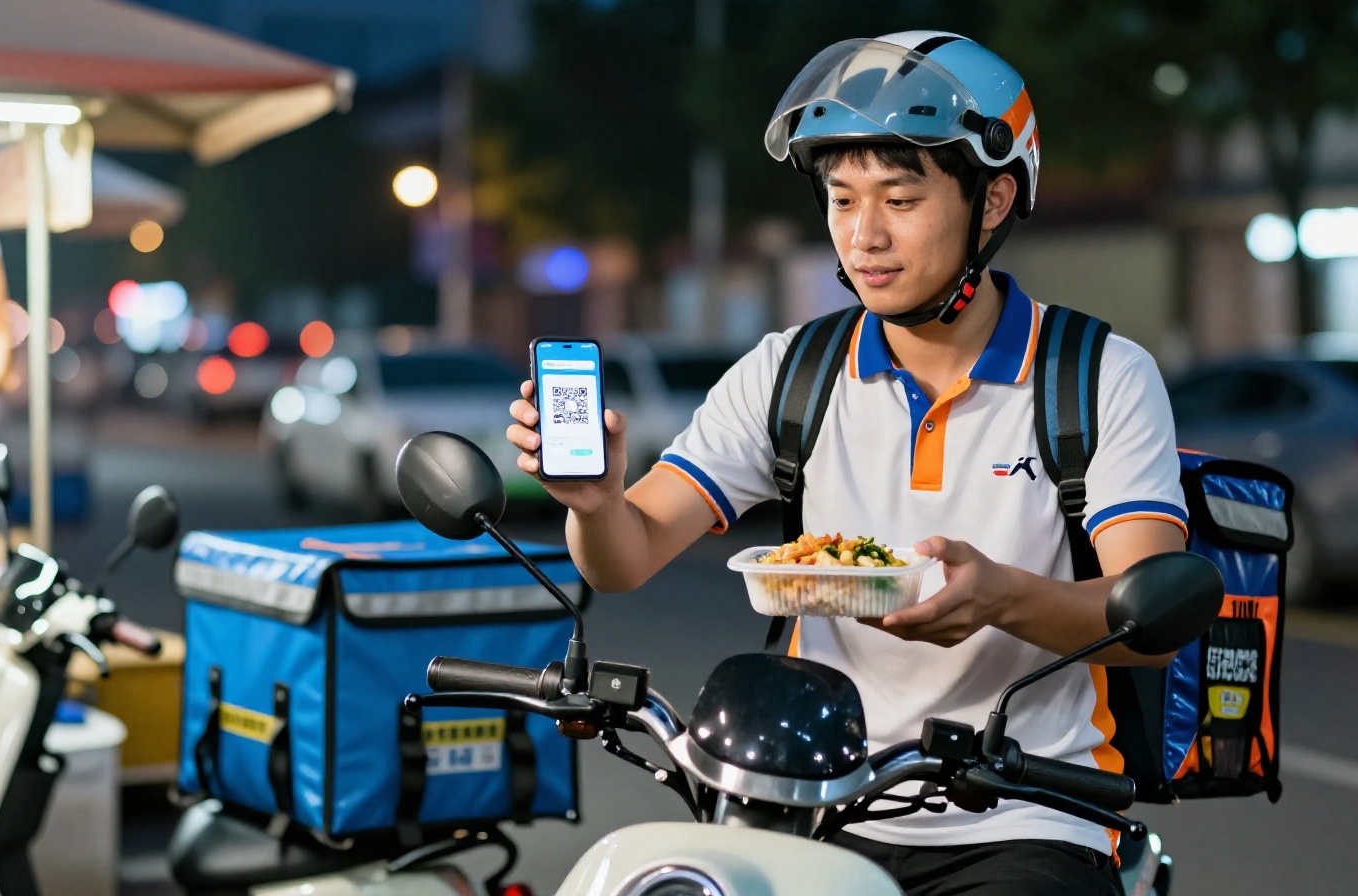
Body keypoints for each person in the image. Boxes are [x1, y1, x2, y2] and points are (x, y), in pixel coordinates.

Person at [507, 32, 1188, 895]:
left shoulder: (1096, 376)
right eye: (841, 199)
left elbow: (1150, 616)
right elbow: (627, 557)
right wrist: (597, 501)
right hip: (809, 801)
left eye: (900, 199)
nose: (864, 236)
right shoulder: (793, 371)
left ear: (993, 198)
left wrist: (1001, 596)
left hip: (1023, 812)